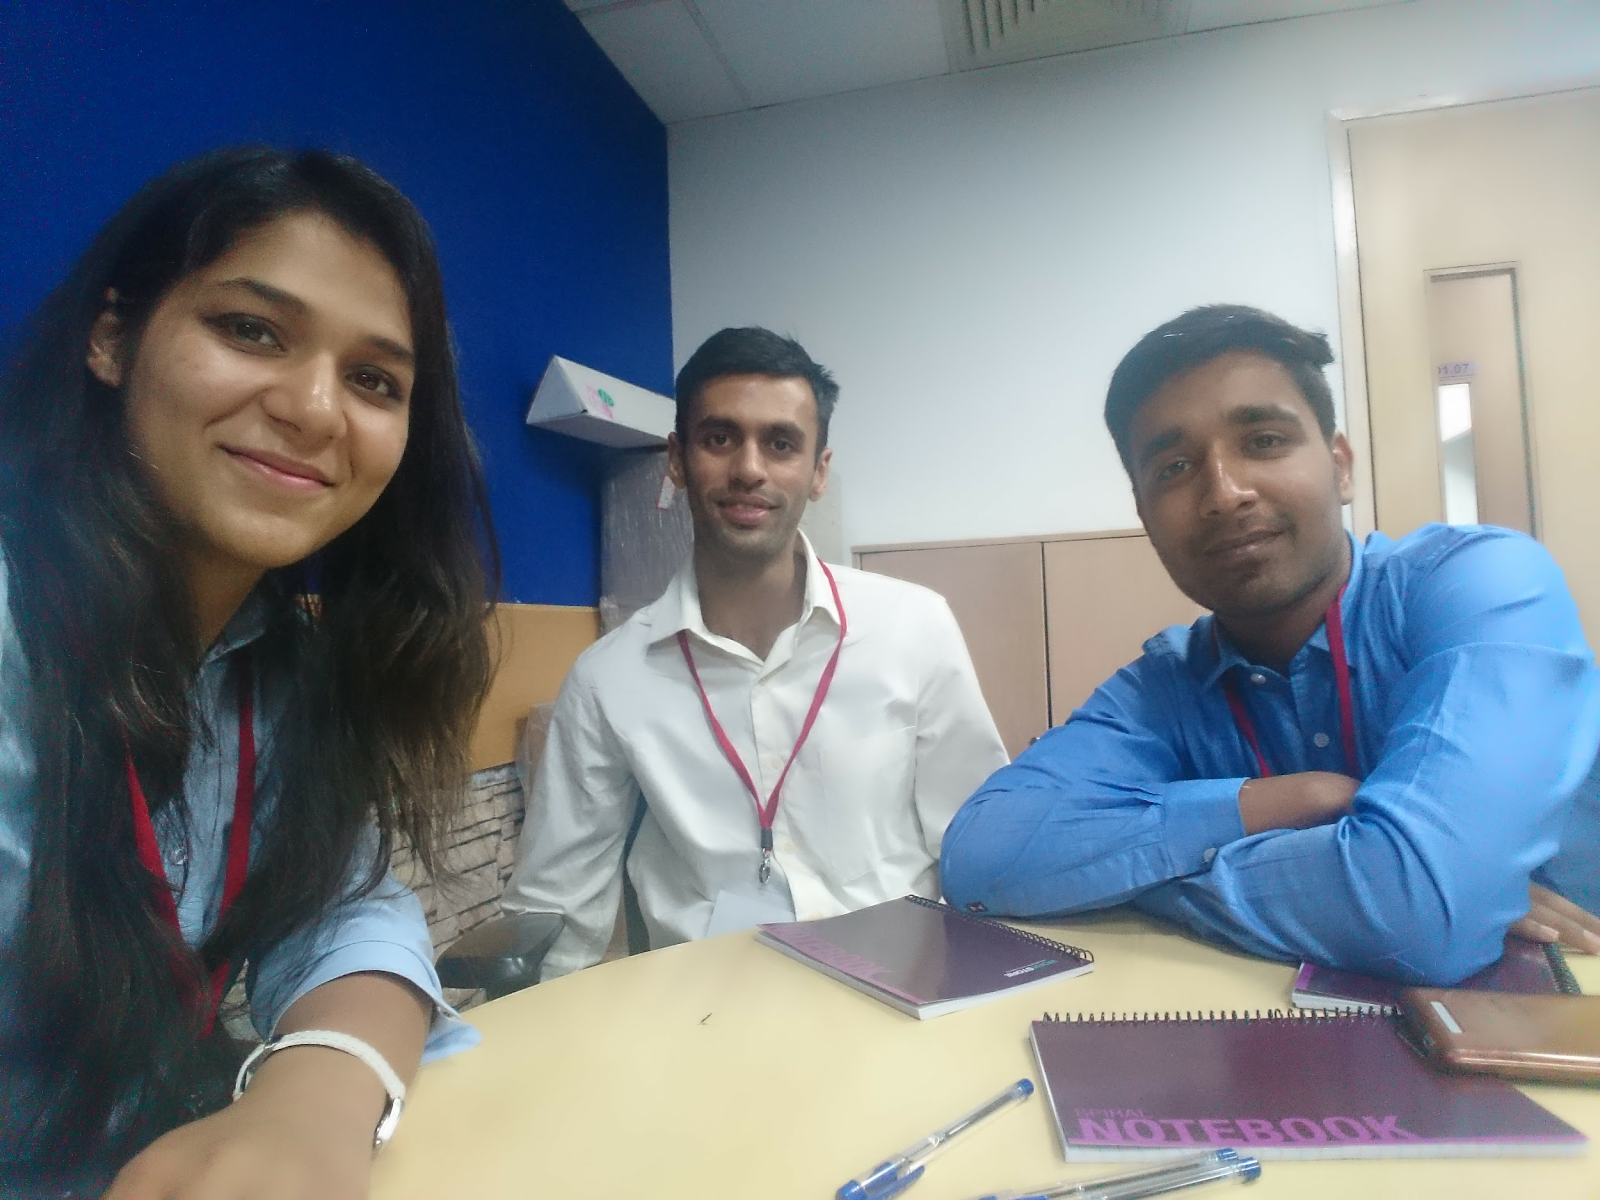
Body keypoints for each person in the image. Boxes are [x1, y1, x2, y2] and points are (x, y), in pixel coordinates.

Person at [0, 148, 496, 1197]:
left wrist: (320, 1089)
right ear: (111, 338)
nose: (316, 409)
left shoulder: (282, 668)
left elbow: (349, 910)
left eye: (374, 380)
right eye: (251, 330)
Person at [939, 304, 1600, 984]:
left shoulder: (1483, 586)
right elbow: (982, 858)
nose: (1224, 494)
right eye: (1173, 467)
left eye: (1263, 441)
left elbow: (1420, 911)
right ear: (1143, 512)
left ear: (1340, 466)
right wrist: (1286, 802)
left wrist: (1125, 879)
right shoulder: (1163, 688)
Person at [503, 327, 1008, 978]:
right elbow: (556, 909)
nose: (749, 468)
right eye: (720, 438)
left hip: (900, 990)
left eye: (781, 443)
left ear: (818, 472)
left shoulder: (913, 628)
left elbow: (980, 849)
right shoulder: (609, 679)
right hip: (708, 1006)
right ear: (677, 459)